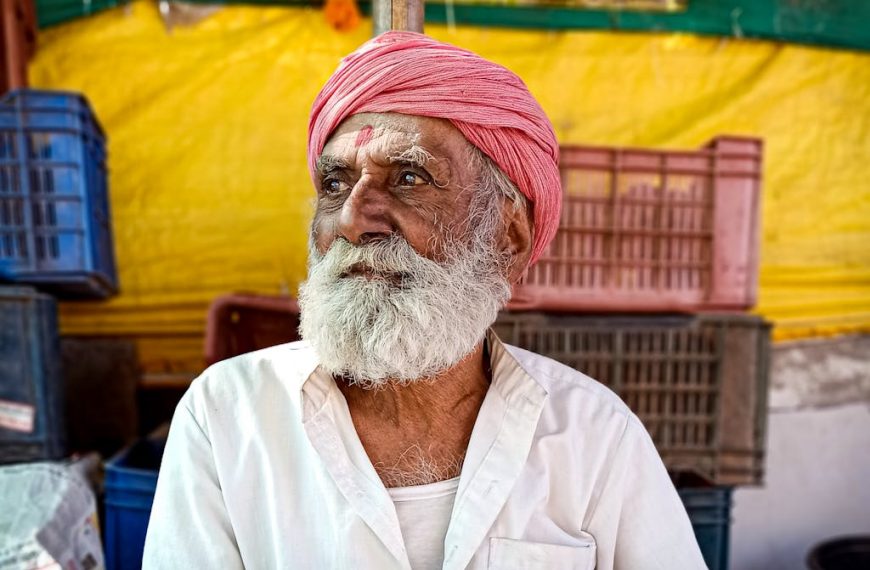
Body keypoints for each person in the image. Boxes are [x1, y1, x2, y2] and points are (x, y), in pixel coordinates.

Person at [143, 31, 706, 570]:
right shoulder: (228, 415)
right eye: (335, 184)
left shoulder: (593, 435)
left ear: (507, 237)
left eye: (410, 178)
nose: (353, 220)